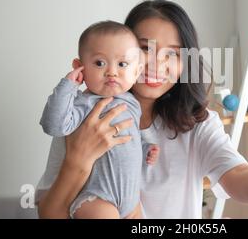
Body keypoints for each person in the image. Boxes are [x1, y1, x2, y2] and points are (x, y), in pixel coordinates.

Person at [36, 0, 248, 219]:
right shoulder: (83, 116)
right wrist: (79, 160)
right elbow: (49, 213)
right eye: (145, 48)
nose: (158, 63)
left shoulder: (199, 125)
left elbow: (238, 179)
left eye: (173, 53)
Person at [38, 21, 159, 219]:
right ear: (80, 67)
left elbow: (131, 138)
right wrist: (68, 86)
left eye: (122, 64)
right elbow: (53, 125)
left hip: (130, 201)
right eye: (100, 63)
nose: (112, 72)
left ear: (136, 71)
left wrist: (146, 149)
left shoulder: (132, 104)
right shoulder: (83, 104)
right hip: (97, 199)